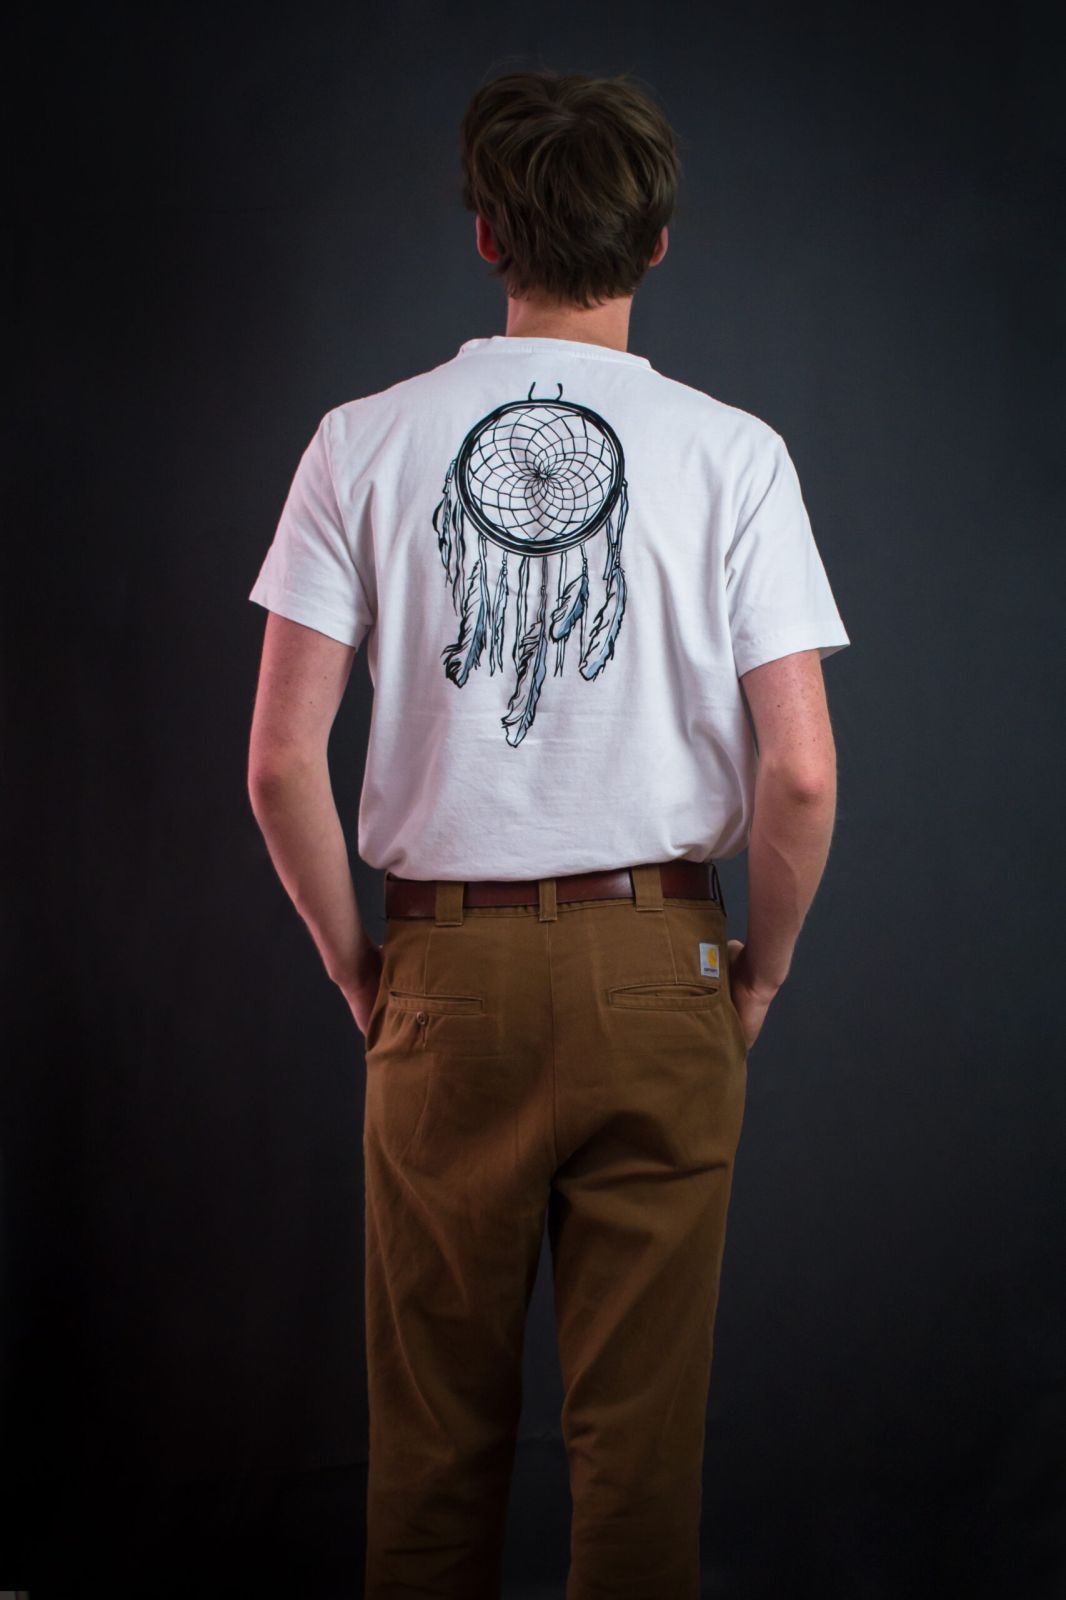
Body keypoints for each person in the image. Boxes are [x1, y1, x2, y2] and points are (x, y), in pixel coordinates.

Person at [246, 66, 849, 1600]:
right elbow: (799, 776)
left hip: (442, 978)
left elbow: (279, 760)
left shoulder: (359, 441)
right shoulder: (735, 454)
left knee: (428, 1459)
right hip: (664, 966)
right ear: (657, 243)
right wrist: (759, 973)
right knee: (640, 1470)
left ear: (483, 234)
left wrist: (358, 969)